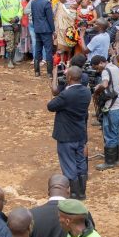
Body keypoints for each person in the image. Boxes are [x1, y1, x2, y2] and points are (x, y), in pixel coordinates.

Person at [47, 65, 92, 200]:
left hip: (66, 135)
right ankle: (82, 193)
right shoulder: (87, 91)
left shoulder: (66, 94)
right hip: (79, 133)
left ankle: (73, 194)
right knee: (80, 163)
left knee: (68, 165)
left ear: (70, 78)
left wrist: (55, 76)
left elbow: (50, 106)